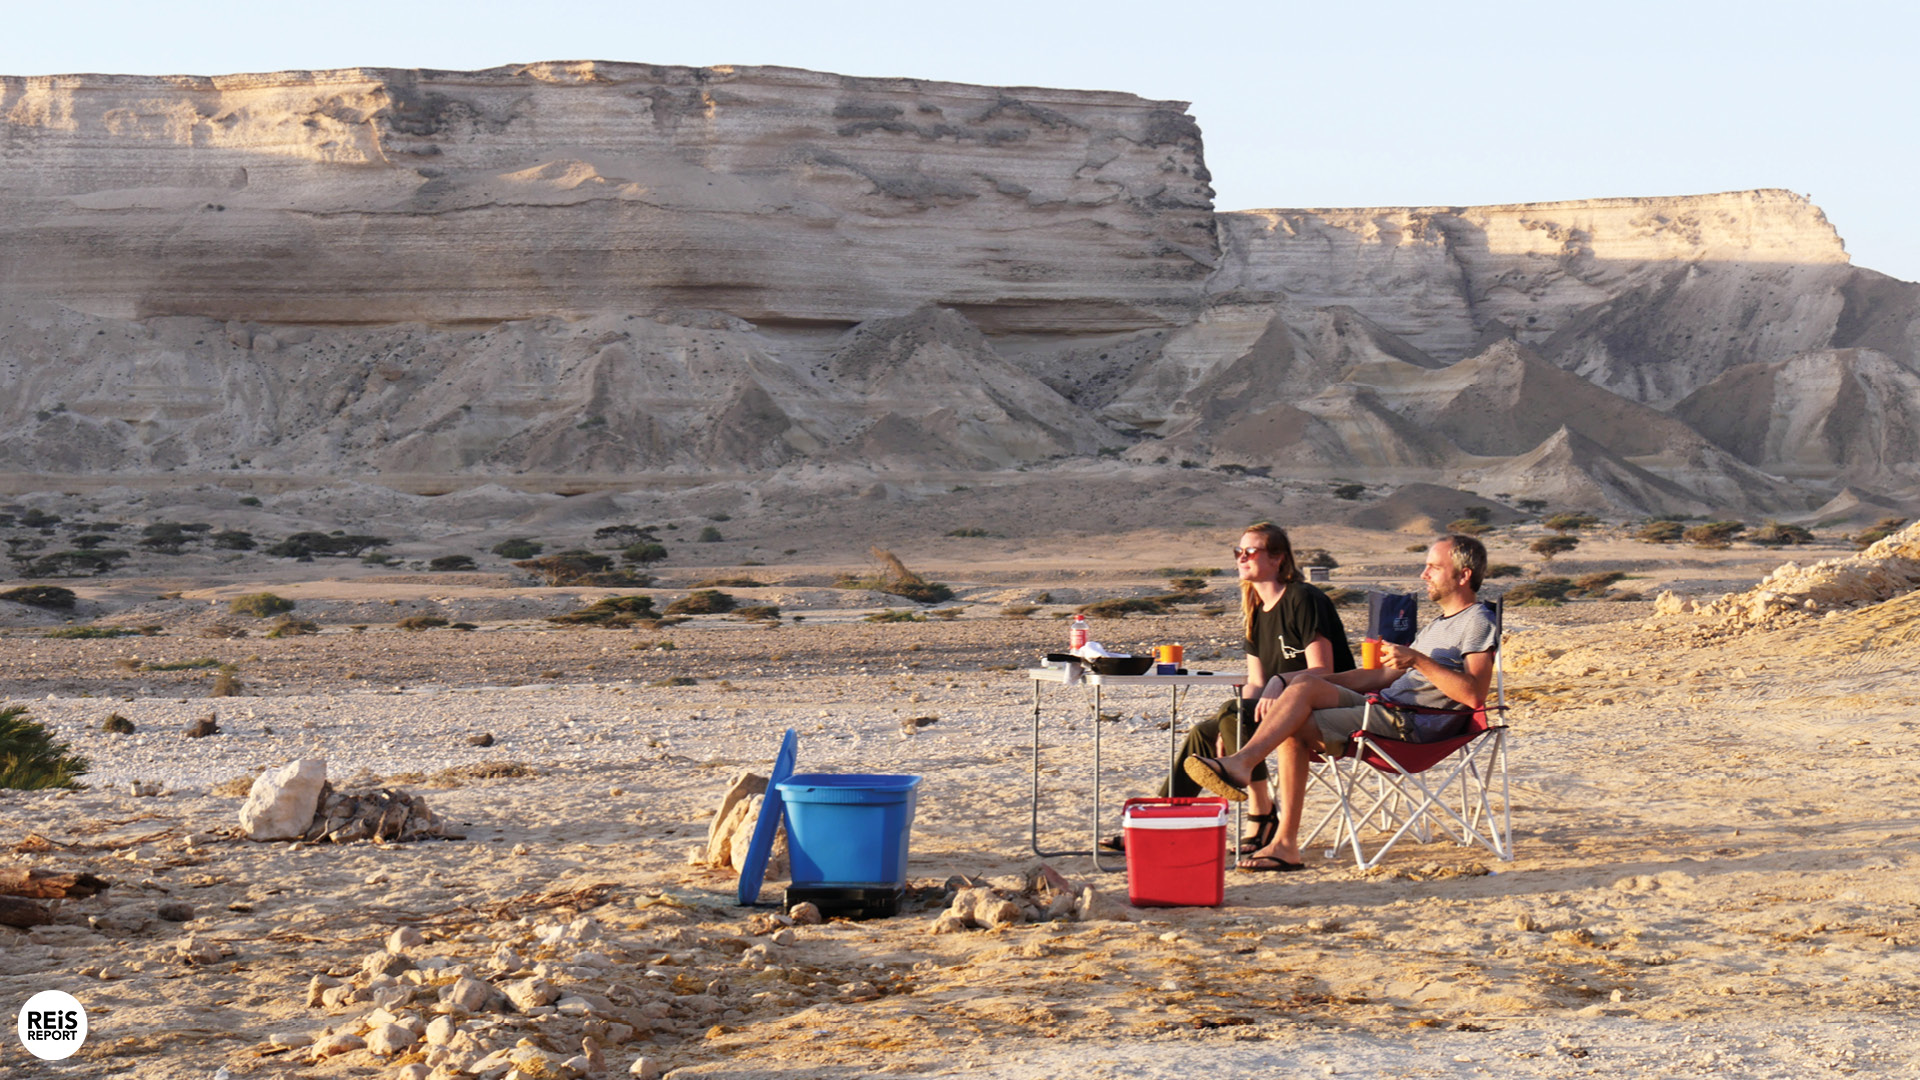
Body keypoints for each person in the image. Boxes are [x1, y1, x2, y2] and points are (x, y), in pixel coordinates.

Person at [1183, 534, 1498, 872]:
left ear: (1463, 575)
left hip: (1410, 724)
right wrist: (1312, 680)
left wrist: (1418, 660)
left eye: (1434, 567)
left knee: (1295, 726)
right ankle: (1273, 823)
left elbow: (1473, 694)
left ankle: (1251, 782)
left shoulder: (1478, 621)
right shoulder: (1438, 625)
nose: (1424, 575)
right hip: (1383, 706)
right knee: (1302, 689)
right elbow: (1383, 678)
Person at [1103, 522, 1353, 855]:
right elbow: (1254, 683)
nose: (1242, 557)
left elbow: (1325, 670)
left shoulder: (1303, 598)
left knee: (1234, 712)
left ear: (1278, 558)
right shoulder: (1255, 610)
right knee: (1201, 733)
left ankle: (1262, 813)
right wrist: (1231, 724)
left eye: (1251, 551)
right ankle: (1159, 822)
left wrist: (1277, 685)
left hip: (1326, 709)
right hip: (1275, 713)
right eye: (1238, 552)